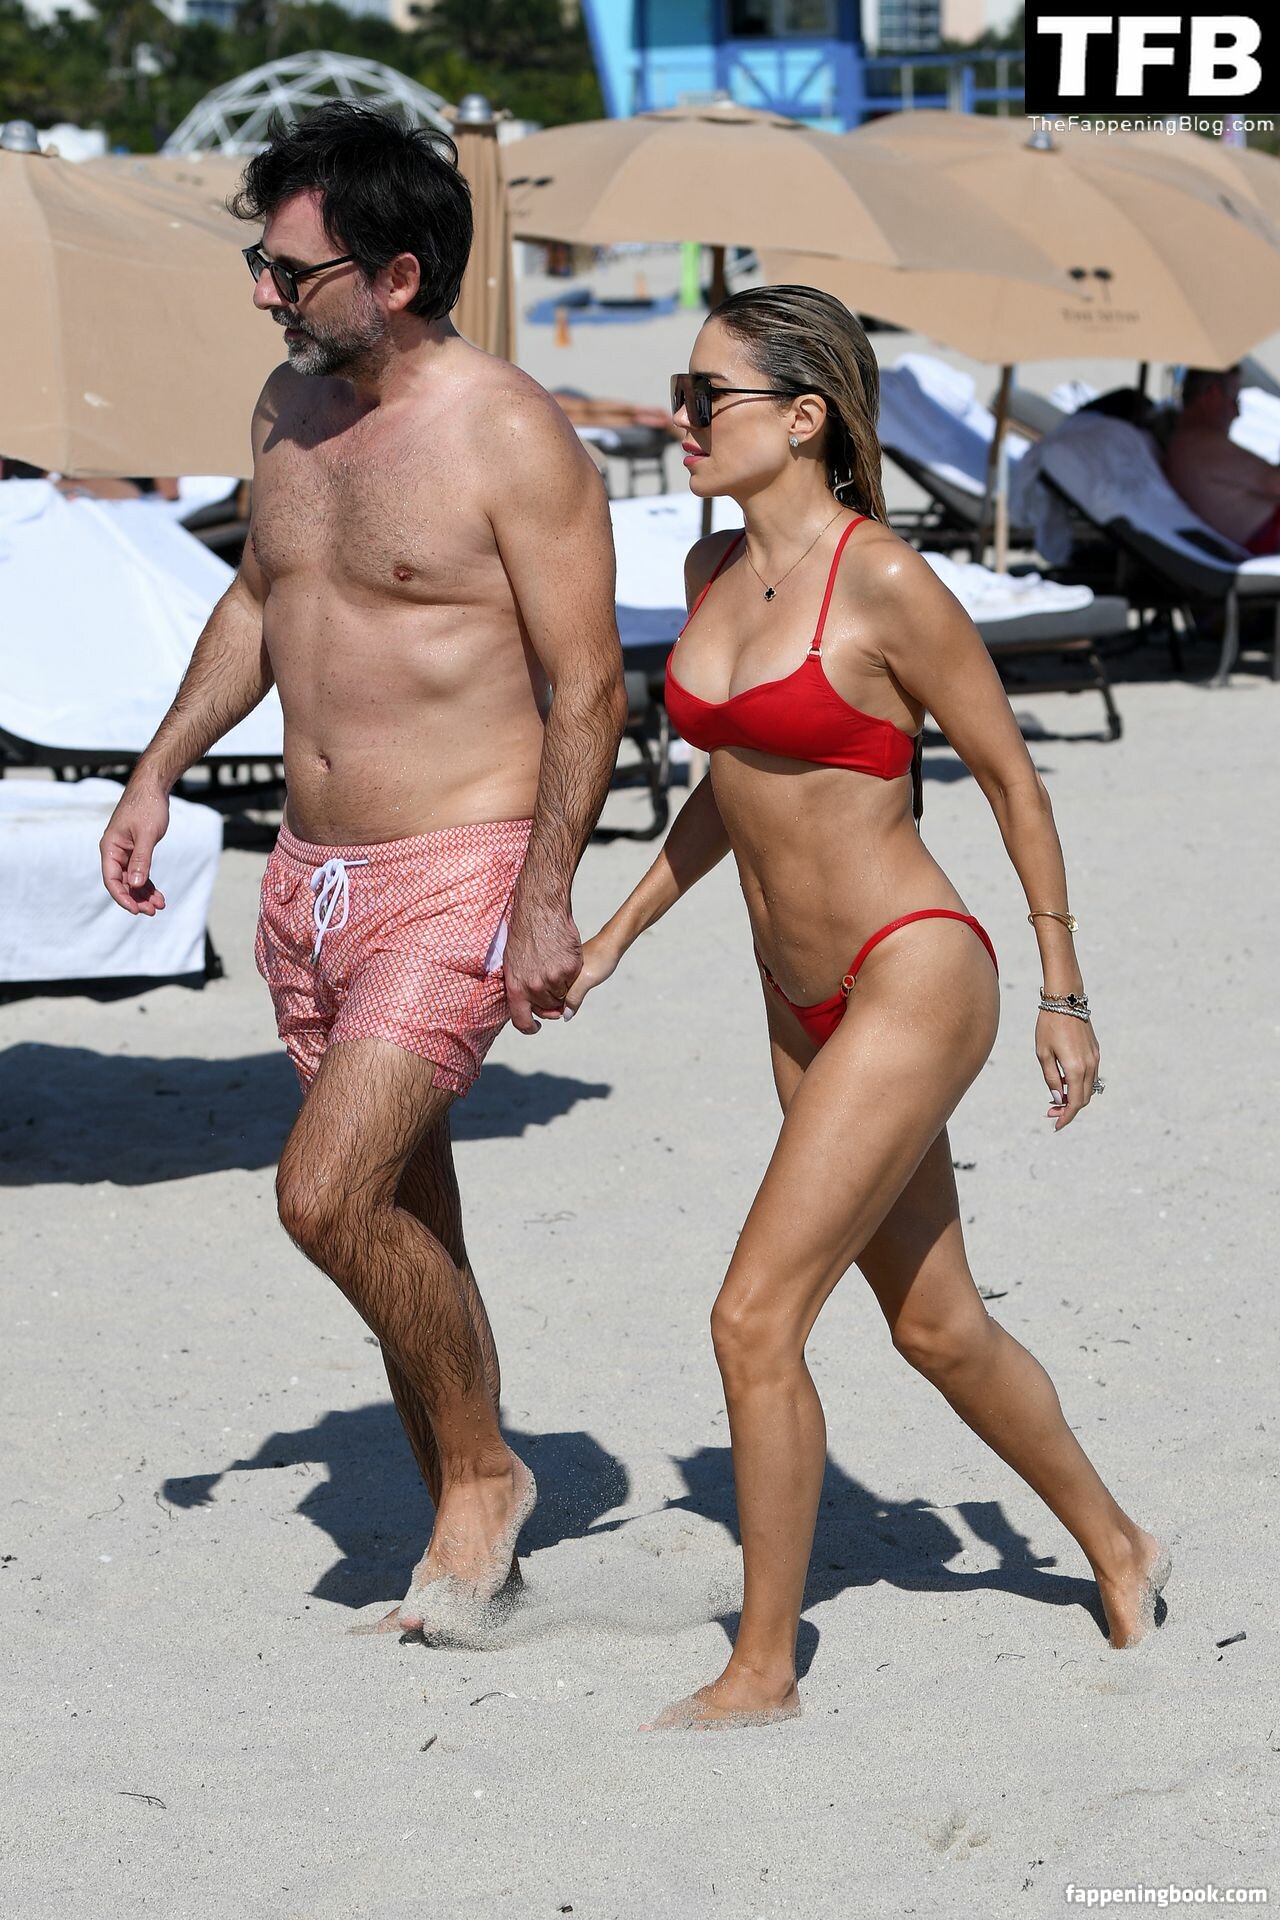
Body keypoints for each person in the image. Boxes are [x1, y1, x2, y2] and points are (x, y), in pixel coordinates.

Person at [565, 286, 1169, 1730]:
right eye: (680, 391)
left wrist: (1063, 992)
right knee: (938, 1328)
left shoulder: (884, 578)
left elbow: (1012, 780)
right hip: (796, 999)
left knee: (751, 1318)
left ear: (802, 417)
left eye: (706, 395)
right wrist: (614, 937)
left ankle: (763, 1668)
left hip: (913, 969)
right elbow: (734, 789)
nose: (680, 416)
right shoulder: (713, 564)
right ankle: (1119, 1543)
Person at [99, 104, 627, 1640]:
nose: (266, 292)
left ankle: (485, 1478)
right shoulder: (287, 405)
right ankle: (473, 1553)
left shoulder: (507, 433)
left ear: (397, 276)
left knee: (323, 1197)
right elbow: (263, 599)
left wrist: (546, 893)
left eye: (293, 270)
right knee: (402, 1212)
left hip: (460, 866)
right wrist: (156, 769)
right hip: (308, 882)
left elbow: (590, 683)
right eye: (260, 265)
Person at [1162, 365, 1280, 554]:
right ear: (1213, 394)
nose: (1237, 413)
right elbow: (1275, 483)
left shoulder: (1185, 444)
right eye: (1235, 400)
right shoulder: (1200, 445)